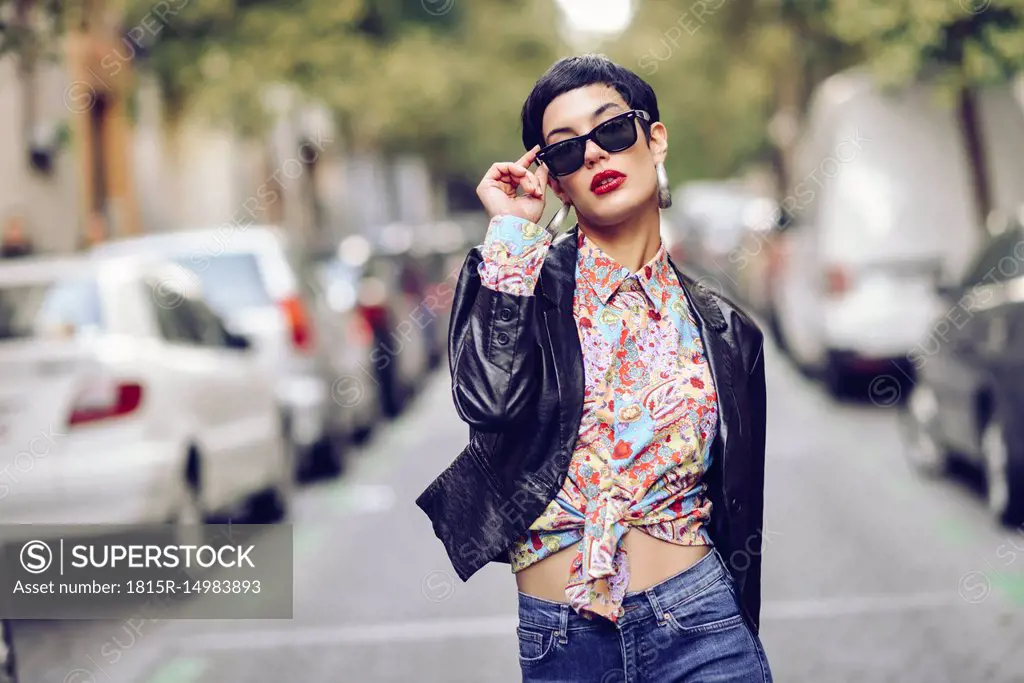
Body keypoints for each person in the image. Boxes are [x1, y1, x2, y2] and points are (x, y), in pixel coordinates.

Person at [416, 54, 772, 682]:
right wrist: (509, 232)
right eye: (565, 150)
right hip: (563, 641)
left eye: (612, 130)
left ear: (654, 139)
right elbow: (487, 403)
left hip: (701, 623)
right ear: (554, 180)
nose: (595, 156)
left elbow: (742, 513)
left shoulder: (728, 331)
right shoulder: (518, 283)